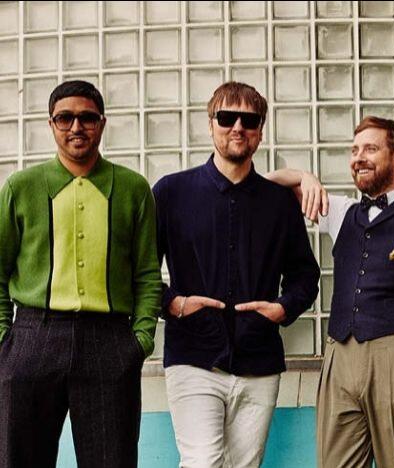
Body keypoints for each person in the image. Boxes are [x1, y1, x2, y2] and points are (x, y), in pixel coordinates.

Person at [267, 116, 394, 468]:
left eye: (370, 149)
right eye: (355, 150)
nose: (359, 158)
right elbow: (265, 184)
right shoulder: (341, 212)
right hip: (339, 355)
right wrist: (304, 176)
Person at [153, 81, 320, 468]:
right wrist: (173, 304)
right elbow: (139, 269)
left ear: (260, 130)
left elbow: (304, 274)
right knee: (203, 461)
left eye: (250, 120)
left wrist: (282, 309)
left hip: (259, 360)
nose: (238, 127)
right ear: (210, 124)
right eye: (227, 117)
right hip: (193, 357)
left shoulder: (278, 202)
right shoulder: (171, 192)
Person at [0, 80, 161, 467]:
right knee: (20, 458)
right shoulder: (21, 187)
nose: (76, 127)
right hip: (32, 337)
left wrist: (140, 340)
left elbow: (147, 273)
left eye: (87, 118)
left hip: (109, 340)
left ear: (102, 123)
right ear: (51, 124)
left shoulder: (133, 189)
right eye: (65, 118)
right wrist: (5, 340)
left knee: (111, 460)